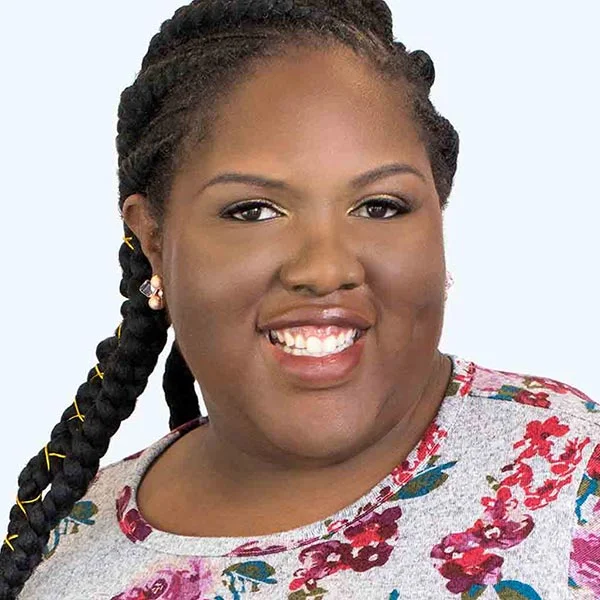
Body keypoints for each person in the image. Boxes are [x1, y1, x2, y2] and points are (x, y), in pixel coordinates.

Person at [1, 1, 599, 598]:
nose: (325, 269)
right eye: (253, 211)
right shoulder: (59, 551)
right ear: (154, 241)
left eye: (380, 206)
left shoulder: (575, 478)